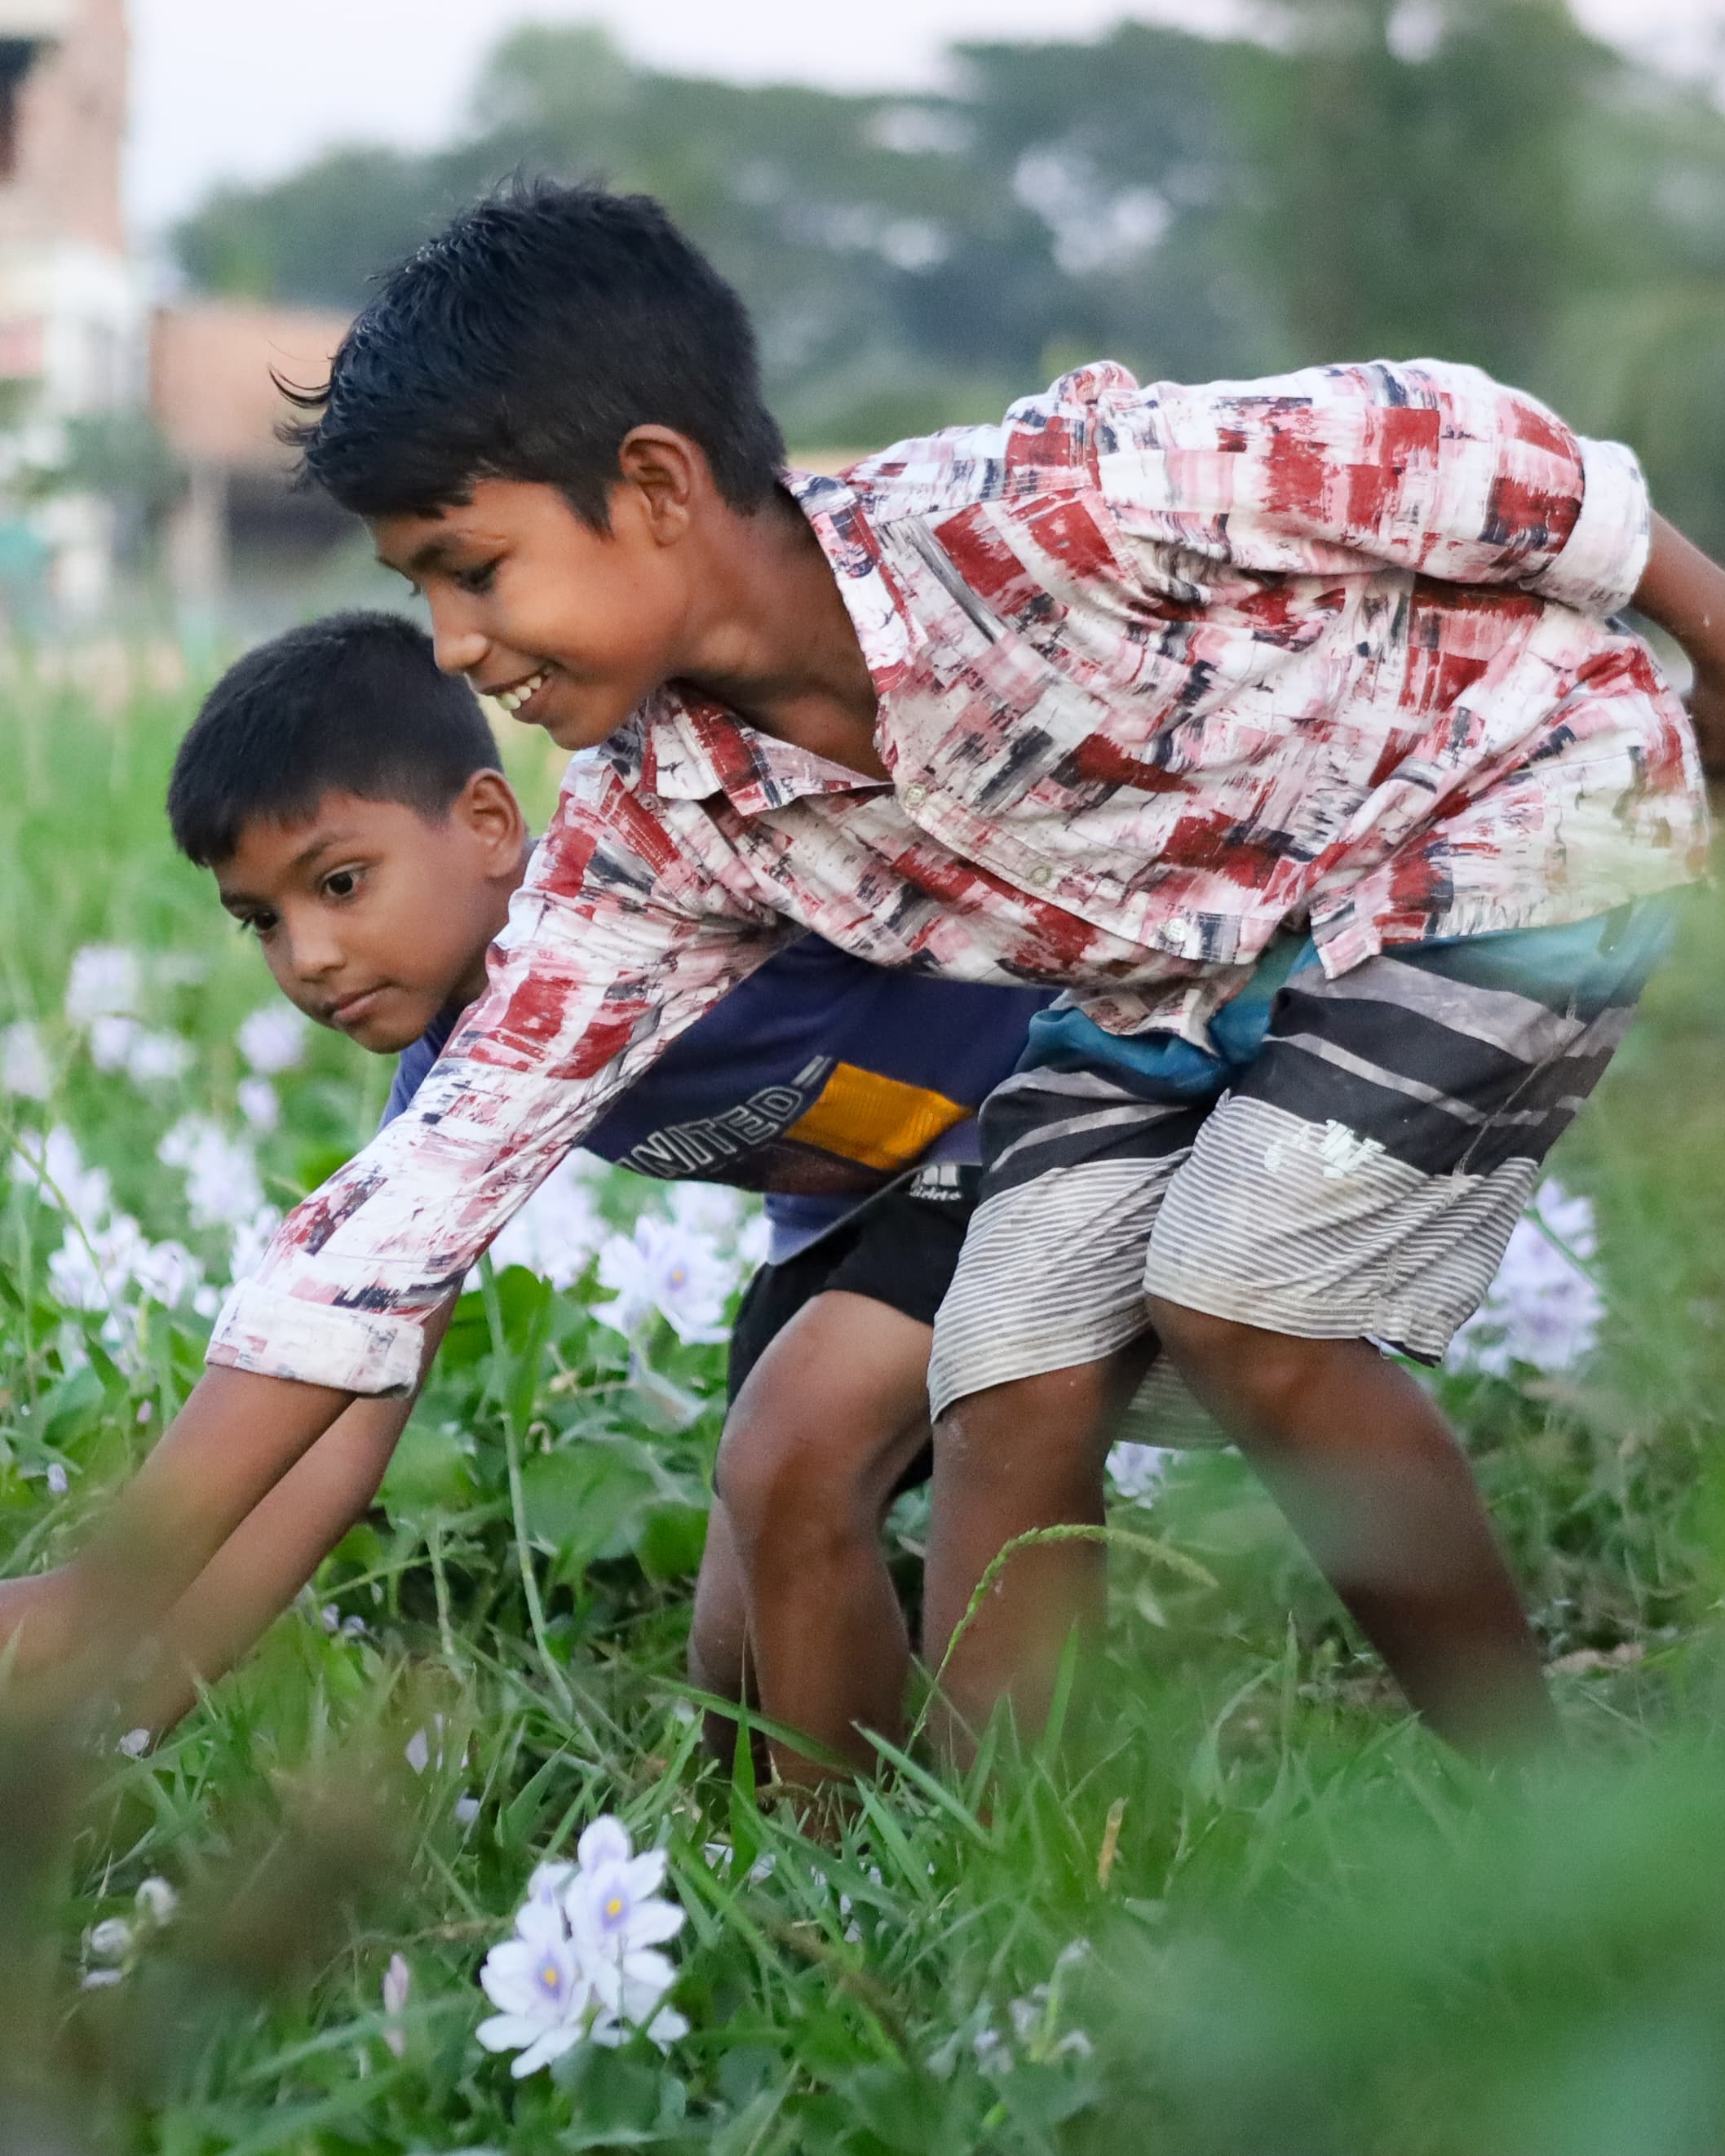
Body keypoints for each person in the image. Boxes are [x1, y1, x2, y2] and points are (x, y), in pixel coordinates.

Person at [0, 180, 1725, 1764]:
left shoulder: (1028, 512)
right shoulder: (655, 830)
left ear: (656, 485)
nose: (457, 642)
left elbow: (1462, 451)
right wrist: (111, 1584)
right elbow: (406, 1211)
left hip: (1497, 816)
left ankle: (1538, 1801)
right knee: (1001, 1366)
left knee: (1242, 1289)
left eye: (475, 569)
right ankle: (1026, 1889)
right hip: (1176, 976)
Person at [98, 608, 1045, 1773]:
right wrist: (126, 1696)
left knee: (787, 1456)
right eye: (265, 924)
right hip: (839, 1220)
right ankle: (858, 1838)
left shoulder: (669, 885)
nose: (311, 957)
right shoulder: (454, 1097)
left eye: (340, 883)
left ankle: (848, 1890)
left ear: (492, 822)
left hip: (1030, 1128)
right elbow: (339, 1444)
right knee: (738, 1670)